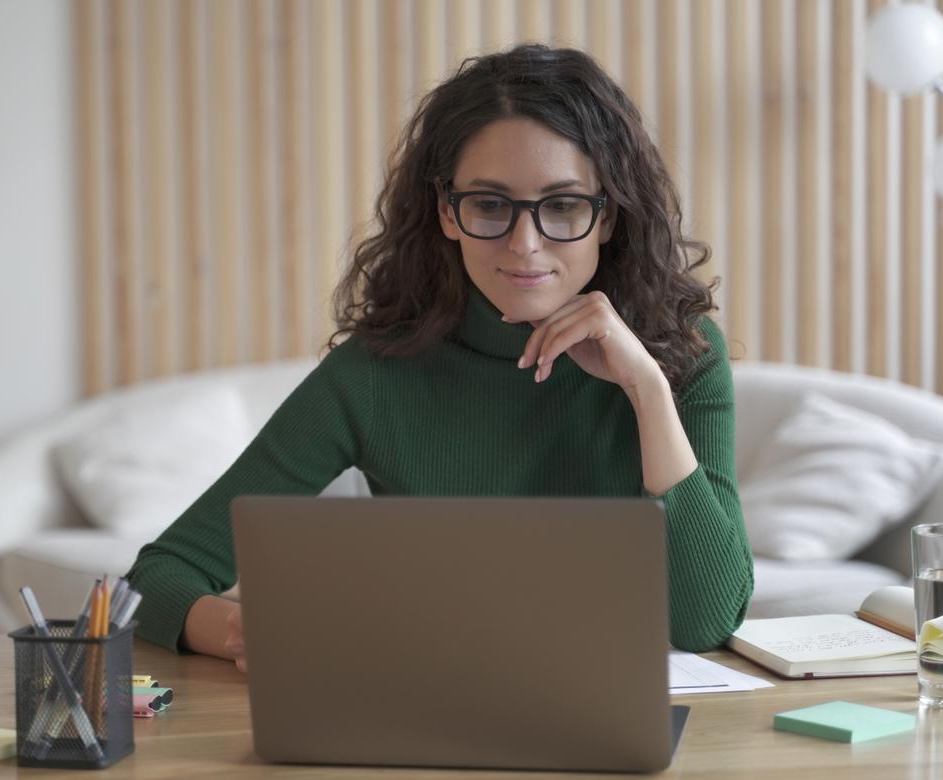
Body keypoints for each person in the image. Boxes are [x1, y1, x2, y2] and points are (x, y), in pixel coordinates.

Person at [125, 43, 753, 671]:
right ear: (447, 213)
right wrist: (243, 630)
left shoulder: (682, 353)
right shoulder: (373, 376)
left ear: (609, 217)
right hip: (427, 717)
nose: (524, 244)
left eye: (562, 206)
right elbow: (158, 576)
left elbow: (706, 620)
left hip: (624, 735)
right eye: (489, 205)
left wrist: (646, 388)